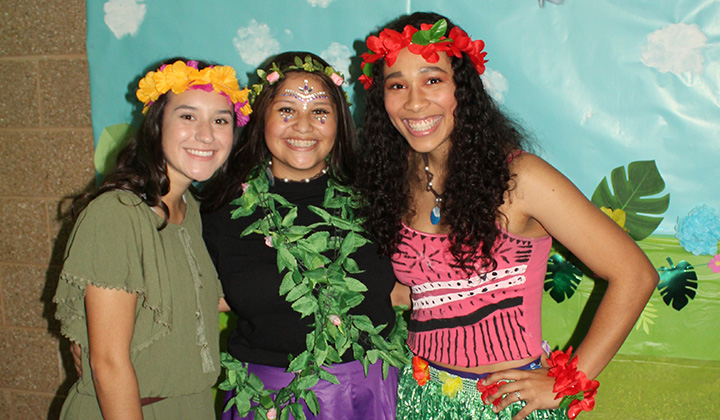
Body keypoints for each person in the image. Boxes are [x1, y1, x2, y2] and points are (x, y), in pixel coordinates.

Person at [355, 12, 658, 420]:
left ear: (462, 88)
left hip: (504, 406)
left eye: (432, 79)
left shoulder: (519, 177)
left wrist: (568, 380)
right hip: (417, 398)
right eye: (397, 85)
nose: (414, 101)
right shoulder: (392, 180)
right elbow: (421, 292)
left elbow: (635, 274)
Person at [200, 52, 408, 420]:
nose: (303, 126)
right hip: (267, 403)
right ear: (261, 118)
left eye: (320, 112)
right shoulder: (219, 208)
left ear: (339, 123)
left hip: (368, 396)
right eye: (286, 110)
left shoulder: (380, 197)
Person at [53, 58, 251, 419]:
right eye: (188, 116)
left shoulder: (189, 209)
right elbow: (109, 362)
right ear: (157, 124)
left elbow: (199, 300)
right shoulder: (117, 213)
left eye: (220, 120)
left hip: (192, 407)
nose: (206, 134)